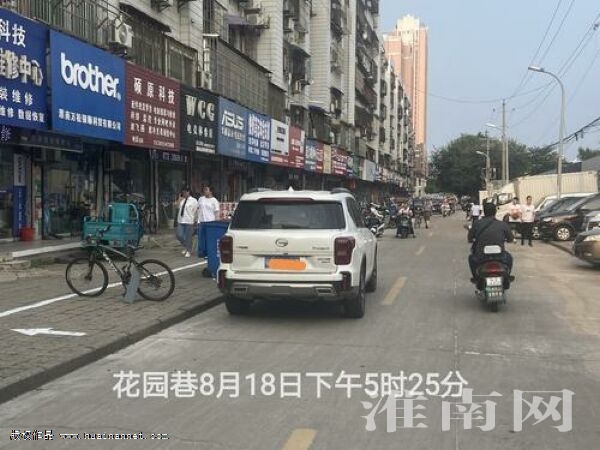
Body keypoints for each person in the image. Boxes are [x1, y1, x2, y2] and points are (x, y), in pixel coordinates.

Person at [467, 202, 514, 282]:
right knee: (509, 258)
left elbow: (470, 237)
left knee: (471, 258)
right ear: (495, 212)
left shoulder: (477, 223)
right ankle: (507, 277)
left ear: (484, 212)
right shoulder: (502, 224)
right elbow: (510, 239)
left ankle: (476, 278)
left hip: (481, 256)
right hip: (500, 256)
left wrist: (472, 239)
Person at [197, 185, 220, 258]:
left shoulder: (214, 200)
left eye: (206, 190)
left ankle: (208, 252)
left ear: (211, 191)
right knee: (201, 238)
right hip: (201, 221)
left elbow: (216, 212)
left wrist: (216, 222)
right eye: (204, 190)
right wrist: (196, 219)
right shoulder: (201, 199)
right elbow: (198, 209)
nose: (205, 191)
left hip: (210, 222)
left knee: (209, 238)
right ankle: (202, 252)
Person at [176, 187, 198, 258]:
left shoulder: (194, 200)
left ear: (189, 192)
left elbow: (195, 211)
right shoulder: (182, 200)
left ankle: (188, 250)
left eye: (185, 192)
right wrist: (179, 199)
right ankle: (186, 246)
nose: (184, 194)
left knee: (188, 237)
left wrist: (195, 220)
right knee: (179, 235)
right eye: (183, 192)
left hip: (189, 220)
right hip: (181, 220)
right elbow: (177, 207)